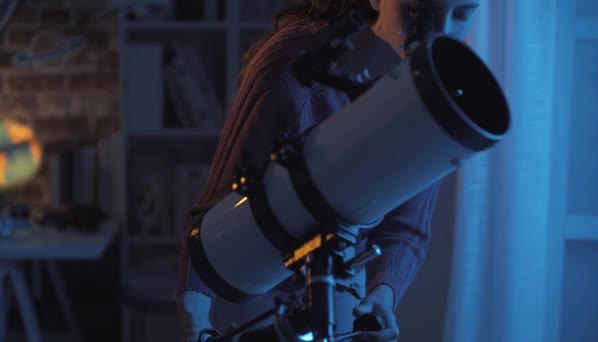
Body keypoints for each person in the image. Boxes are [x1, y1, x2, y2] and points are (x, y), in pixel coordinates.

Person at [177, 0, 480, 341]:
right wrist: (196, 312)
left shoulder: (430, 99)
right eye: (416, 10)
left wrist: (384, 294)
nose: (438, 32)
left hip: (336, 280)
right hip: (252, 288)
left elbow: (406, 228)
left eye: (463, 12)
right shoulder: (293, 64)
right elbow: (216, 203)